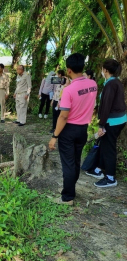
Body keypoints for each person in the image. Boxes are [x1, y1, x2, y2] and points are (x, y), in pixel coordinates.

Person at [48, 53, 97, 205]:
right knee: (75, 161)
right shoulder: (92, 84)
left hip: (68, 130)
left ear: (68, 70)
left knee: (68, 164)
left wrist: (54, 136)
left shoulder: (68, 90)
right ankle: (71, 190)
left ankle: (67, 197)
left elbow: (63, 116)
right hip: (83, 129)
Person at [85, 59, 127, 187]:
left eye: (102, 69)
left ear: (106, 70)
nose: (102, 71)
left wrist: (101, 125)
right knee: (104, 145)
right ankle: (98, 169)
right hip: (120, 119)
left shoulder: (110, 84)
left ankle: (110, 178)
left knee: (109, 148)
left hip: (112, 122)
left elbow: (106, 106)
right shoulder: (115, 82)